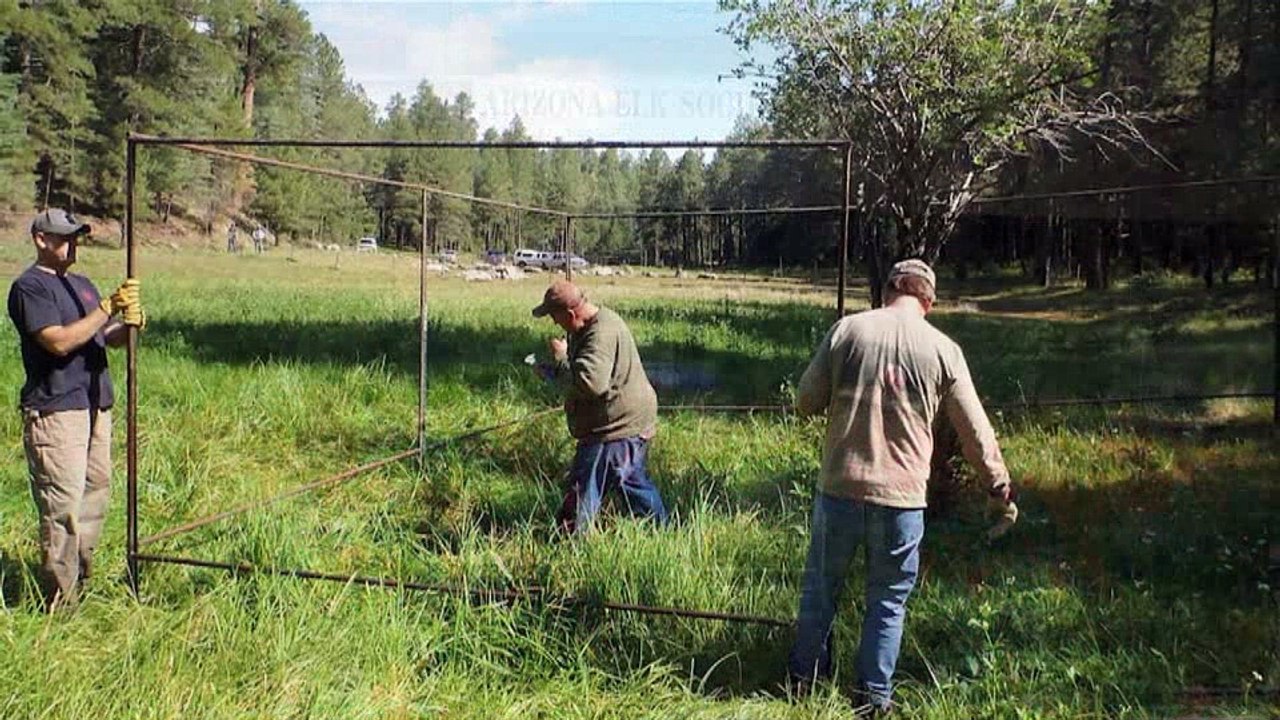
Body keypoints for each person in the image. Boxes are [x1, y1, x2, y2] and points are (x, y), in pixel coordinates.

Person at [787, 259, 1017, 715]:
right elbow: (975, 431)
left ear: (889, 289)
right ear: (928, 302)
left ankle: (803, 685)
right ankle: (873, 700)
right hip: (902, 501)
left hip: (839, 489)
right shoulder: (943, 349)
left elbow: (805, 402)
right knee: (888, 601)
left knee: (821, 588)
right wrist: (998, 484)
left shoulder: (847, 331)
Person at [7, 209, 145, 611]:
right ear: (40, 239)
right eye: (64, 237)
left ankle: (82, 581)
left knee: (94, 496)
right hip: (57, 410)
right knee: (63, 504)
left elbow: (100, 339)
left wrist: (129, 324)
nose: (73, 244)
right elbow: (59, 342)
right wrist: (107, 307)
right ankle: (59, 602)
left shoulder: (82, 286)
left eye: (77, 236)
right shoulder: (29, 287)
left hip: (95, 403)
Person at [531, 280, 670, 534]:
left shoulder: (601, 332)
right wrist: (553, 372)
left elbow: (591, 382)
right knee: (631, 481)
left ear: (571, 314)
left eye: (555, 316)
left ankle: (568, 544)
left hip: (615, 427)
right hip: (630, 420)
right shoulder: (587, 327)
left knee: (583, 488)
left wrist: (561, 359)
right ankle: (663, 529)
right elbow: (585, 371)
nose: (554, 323)